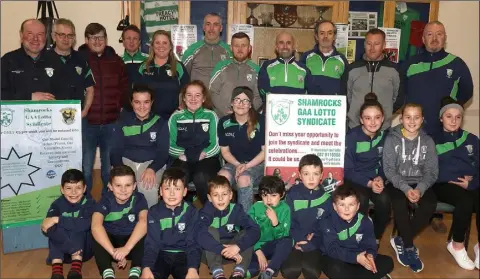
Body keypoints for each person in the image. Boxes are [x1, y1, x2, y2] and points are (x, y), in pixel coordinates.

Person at [383, 103, 438, 273]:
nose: (412, 121)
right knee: (399, 204)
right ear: (401, 119)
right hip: (397, 183)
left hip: (420, 182)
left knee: (430, 204)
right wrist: (406, 189)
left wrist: (420, 189)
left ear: (422, 120)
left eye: (416, 117)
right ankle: (408, 247)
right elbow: (389, 170)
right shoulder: (391, 139)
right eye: (408, 117)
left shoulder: (428, 141)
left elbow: (432, 172)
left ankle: (401, 239)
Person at [78, 23, 129, 194]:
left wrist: (120, 106)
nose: (98, 41)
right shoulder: (78, 59)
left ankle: (109, 202)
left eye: (101, 37)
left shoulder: (115, 60)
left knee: (108, 169)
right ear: (86, 40)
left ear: (106, 39)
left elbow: (124, 85)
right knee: (86, 168)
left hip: (111, 122)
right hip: (87, 122)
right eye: (93, 38)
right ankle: (84, 202)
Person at [401, 21, 473, 136]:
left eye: (439, 34)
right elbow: (401, 94)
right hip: (414, 129)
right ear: (423, 39)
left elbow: (467, 92)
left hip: (444, 130)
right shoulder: (410, 64)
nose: (434, 38)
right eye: (430, 34)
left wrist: (449, 111)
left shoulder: (457, 64)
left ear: (445, 38)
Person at [433, 97, 479, 270]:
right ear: (441, 118)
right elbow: (428, 169)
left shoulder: (472, 139)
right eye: (448, 116)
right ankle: (457, 245)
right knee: (465, 201)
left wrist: (472, 183)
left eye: (457, 117)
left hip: (469, 184)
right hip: (443, 184)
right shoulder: (432, 139)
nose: (453, 120)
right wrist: (450, 177)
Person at [110, 84, 170, 208]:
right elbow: (115, 151)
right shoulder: (122, 122)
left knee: (147, 187)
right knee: (121, 188)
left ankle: (148, 222)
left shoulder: (160, 123)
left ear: (152, 102)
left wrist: (152, 168)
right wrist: (120, 171)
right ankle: (122, 222)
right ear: (131, 103)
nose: (142, 107)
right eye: (137, 102)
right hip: (126, 162)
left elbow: (163, 153)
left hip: (151, 163)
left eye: (146, 102)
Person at [344, 93, 391, 245]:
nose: (372, 122)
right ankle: (358, 238)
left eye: (377, 117)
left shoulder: (386, 137)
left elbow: (387, 163)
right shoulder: (351, 137)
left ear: (383, 118)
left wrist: (381, 178)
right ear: (361, 119)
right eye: (368, 118)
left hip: (375, 180)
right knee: (361, 201)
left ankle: (375, 238)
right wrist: (369, 183)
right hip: (355, 180)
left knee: (385, 201)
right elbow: (348, 170)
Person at [319, 185, 394, 279]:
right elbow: (332, 249)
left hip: (359, 256)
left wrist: (370, 255)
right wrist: (355, 258)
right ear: (335, 206)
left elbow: (370, 244)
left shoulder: (365, 221)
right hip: (336, 257)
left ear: (358, 206)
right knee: (335, 269)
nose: (347, 209)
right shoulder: (328, 222)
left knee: (388, 262)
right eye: (342, 205)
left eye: (351, 204)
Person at [195, 175, 260, 279]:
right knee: (210, 230)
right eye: (216, 195)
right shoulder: (205, 212)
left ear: (230, 195)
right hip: (210, 253)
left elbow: (255, 230)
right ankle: (217, 272)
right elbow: (199, 234)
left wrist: (238, 246)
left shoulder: (236, 210)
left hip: (233, 252)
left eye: (224, 194)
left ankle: (239, 272)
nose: (220, 199)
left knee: (246, 234)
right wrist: (221, 249)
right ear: (209, 198)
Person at [141, 168, 202, 279]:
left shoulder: (191, 212)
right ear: (160, 191)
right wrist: (146, 267)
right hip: (160, 254)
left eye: (177, 189)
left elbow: (193, 243)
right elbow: (151, 243)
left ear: (184, 192)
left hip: (184, 254)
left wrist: (193, 268)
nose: (172, 193)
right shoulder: (154, 212)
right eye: (167, 188)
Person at [168, 80, 221, 205]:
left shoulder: (211, 116)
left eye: (197, 95)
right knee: (178, 178)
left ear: (203, 98)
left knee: (201, 177)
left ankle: (209, 210)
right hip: (182, 157)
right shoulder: (176, 117)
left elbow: (216, 145)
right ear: (184, 98)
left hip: (206, 158)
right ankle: (183, 212)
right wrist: (183, 155)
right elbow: (169, 145)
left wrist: (203, 154)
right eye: (189, 95)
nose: (193, 99)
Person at [91, 165, 148, 279]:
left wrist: (126, 248)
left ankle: (135, 269)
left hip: (132, 245)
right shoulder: (105, 200)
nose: (123, 190)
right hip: (111, 247)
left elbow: (143, 222)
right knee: (97, 236)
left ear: (134, 186)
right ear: (110, 186)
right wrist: (114, 253)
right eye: (118, 185)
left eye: (128, 185)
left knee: (145, 233)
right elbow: (95, 226)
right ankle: (107, 271)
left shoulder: (139, 198)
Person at [281, 154, 332, 279]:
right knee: (290, 272)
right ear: (299, 175)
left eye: (315, 174)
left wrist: (313, 242)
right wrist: (297, 240)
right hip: (294, 240)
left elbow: (327, 226)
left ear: (321, 176)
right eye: (306, 174)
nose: (311, 178)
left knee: (312, 272)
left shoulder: (326, 198)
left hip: (314, 242)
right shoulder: (292, 194)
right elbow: (287, 222)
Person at [343, 28, 403, 130]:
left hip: (383, 129)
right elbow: (345, 97)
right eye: (369, 43)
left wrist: (387, 112)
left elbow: (398, 98)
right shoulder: (351, 69)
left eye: (376, 44)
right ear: (364, 45)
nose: (372, 48)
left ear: (384, 45)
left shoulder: (395, 70)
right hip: (355, 128)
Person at [217, 86, 265, 212]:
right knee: (222, 177)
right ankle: (224, 218)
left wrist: (247, 166)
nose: (241, 104)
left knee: (243, 179)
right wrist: (238, 165)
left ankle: (244, 223)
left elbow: (265, 152)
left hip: (256, 165)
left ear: (250, 105)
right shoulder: (224, 122)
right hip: (234, 163)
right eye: (237, 100)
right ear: (232, 103)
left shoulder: (261, 121)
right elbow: (225, 152)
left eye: (245, 101)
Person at [41, 169, 95, 279]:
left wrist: (58, 220)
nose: (73, 193)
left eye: (78, 188)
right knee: (55, 229)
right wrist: (70, 246)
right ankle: (57, 271)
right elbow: (47, 227)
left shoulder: (90, 203)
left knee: (78, 227)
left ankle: (75, 270)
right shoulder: (57, 204)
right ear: (62, 189)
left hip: (83, 251)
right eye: (69, 188)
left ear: (84, 189)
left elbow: (86, 224)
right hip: (65, 250)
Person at [1, 19, 66, 101]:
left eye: (40, 34)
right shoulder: (7, 61)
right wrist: (28, 97)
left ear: (45, 37)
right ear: (21, 35)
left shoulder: (57, 61)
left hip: (49, 112)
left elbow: (66, 94)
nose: (35, 39)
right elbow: (2, 94)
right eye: (30, 34)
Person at [137, 30, 189, 119]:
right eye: (157, 43)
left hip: (173, 119)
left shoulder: (178, 67)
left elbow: (188, 91)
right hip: (147, 118)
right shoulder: (143, 67)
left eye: (165, 43)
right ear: (152, 46)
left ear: (170, 47)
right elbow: (136, 93)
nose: (161, 46)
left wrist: (182, 108)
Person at [247, 176, 292, 279]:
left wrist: (275, 222)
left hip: (274, 247)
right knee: (252, 270)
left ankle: (269, 271)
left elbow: (283, 236)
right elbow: (248, 231)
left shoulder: (285, 209)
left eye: (273, 195)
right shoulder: (256, 207)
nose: (268, 199)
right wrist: (257, 250)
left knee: (287, 241)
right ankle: (241, 274)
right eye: (265, 195)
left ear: (282, 195)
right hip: (256, 246)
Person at [50, 18, 95, 118]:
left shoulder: (81, 59)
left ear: (74, 38)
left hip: (76, 117)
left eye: (70, 35)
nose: (66, 39)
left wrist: (85, 111)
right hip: (51, 118)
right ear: (54, 36)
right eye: (62, 35)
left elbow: (90, 89)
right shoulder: (43, 59)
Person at [209, 32, 262, 117]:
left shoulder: (257, 70)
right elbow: (213, 92)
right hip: (223, 118)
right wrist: (226, 111)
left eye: (243, 45)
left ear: (249, 48)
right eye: (236, 46)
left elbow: (259, 96)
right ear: (231, 48)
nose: (240, 49)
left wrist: (245, 112)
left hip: (247, 119)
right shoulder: (220, 67)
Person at [258, 32, 314, 105]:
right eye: (281, 43)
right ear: (276, 47)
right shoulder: (266, 66)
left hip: (296, 114)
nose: (285, 46)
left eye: (288, 43)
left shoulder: (304, 69)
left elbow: (311, 95)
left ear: (293, 47)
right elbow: (263, 91)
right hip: (273, 112)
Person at [182, 13, 232, 88]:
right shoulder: (191, 50)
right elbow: (182, 79)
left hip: (221, 99)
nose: (211, 28)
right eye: (208, 24)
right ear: (204, 27)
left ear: (221, 28)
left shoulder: (229, 51)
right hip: (198, 98)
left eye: (215, 24)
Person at [300, 20, 348, 95]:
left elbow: (345, 88)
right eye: (322, 33)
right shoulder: (306, 57)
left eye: (329, 33)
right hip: (310, 105)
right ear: (316, 36)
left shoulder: (342, 60)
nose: (325, 36)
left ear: (334, 36)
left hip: (333, 106)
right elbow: (300, 83)